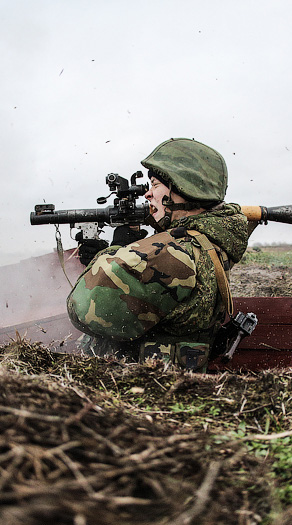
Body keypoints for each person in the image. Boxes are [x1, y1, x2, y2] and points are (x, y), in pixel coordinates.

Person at [66, 138, 252, 371]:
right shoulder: (206, 243)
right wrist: (129, 251)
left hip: (140, 384)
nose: (148, 194)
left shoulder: (175, 253)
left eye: (155, 185)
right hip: (169, 381)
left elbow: (85, 310)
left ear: (182, 189)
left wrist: (115, 251)